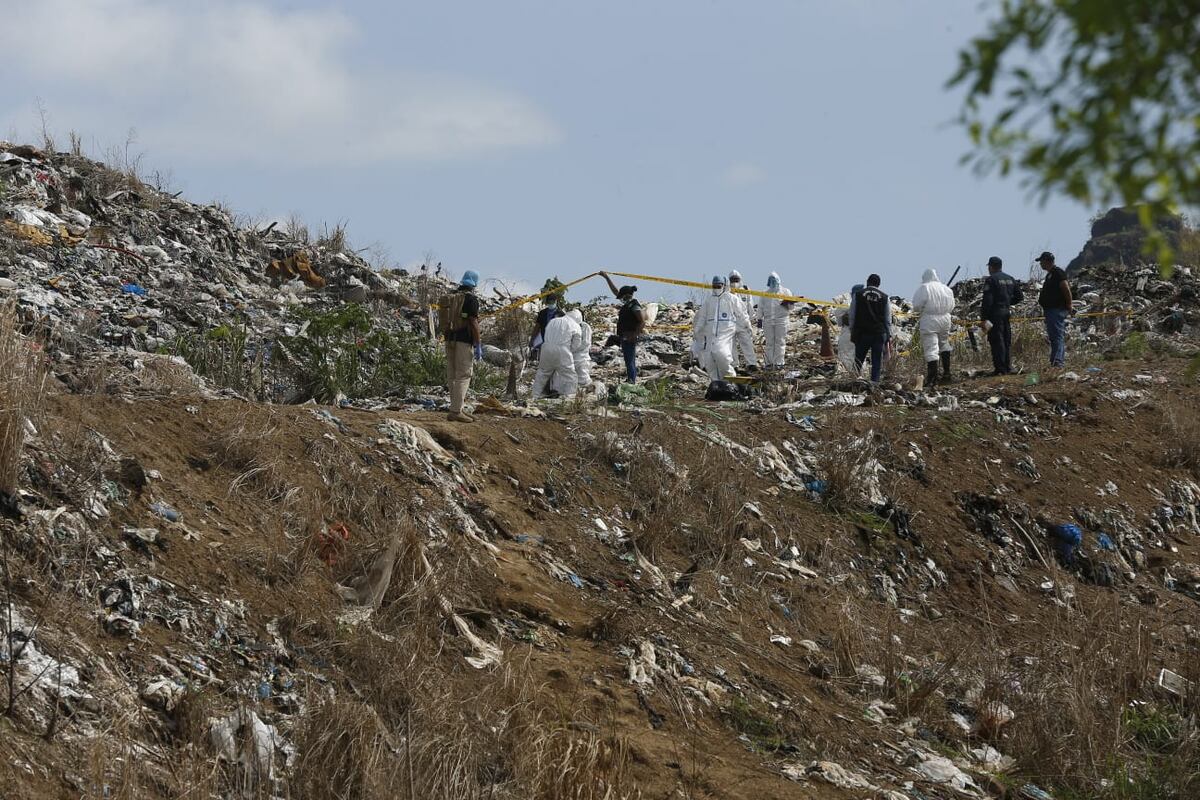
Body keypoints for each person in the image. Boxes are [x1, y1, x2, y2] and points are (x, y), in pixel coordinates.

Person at [692, 274, 751, 381]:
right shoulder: (709, 300)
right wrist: (697, 329)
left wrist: (747, 324)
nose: (716, 289)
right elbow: (702, 316)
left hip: (725, 332)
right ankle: (717, 382)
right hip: (711, 334)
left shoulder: (731, 298)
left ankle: (731, 377)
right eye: (714, 286)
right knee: (709, 360)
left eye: (719, 286)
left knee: (722, 355)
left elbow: (741, 313)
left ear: (724, 286)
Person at [444, 270, 482, 423]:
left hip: (449, 339)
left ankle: (456, 408)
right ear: (474, 283)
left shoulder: (452, 296)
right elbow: (473, 322)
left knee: (452, 375)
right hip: (463, 342)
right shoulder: (471, 299)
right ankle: (455, 411)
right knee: (464, 375)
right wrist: (478, 344)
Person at [912, 268, 956, 387]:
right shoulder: (946, 289)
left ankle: (932, 377)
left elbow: (916, 305)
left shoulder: (924, 287)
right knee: (944, 344)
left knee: (931, 347)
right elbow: (952, 305)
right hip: (945, 319)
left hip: (930, 319)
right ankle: (947, 373)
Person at [980, 256, 1024, 375]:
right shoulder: (1010, 278)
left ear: (991, 267)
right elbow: (1020, 296)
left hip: (995, 314)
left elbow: (987, 301)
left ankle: (1000, 369)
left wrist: (983, 318)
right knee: (1006, 339)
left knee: (996, 340)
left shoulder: (991, 280)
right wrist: (1008, 302)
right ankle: (1007, 366)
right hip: (1006, 312)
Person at [600, 271, 645, 382]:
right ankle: (630, 378)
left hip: (629, 336)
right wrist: (606, 278)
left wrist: (635, 334)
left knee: (629, 360)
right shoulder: (627, 304)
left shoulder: (633, 305)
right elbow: (616, 291)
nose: (620, 299)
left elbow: (642, 320)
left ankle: (631, 380)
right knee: (628, 359)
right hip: (624, 336)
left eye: (622, 297)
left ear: (627, 296)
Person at [850, 274, 891, 383]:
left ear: (868, 282)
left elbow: (852, 314)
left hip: (862, 332)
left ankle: (854, 381)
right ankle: (875, 384)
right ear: (879, 284)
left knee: (858, 360)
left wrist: (852, 330)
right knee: (876, 361)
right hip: (879, 333)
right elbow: (887, 319)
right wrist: (888, 334)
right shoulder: (885, 297)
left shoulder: (858, 294)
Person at [532, 311, 582, 398]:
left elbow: (546, 334)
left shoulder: (553, 321)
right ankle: (570, 397)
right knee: (569, 375)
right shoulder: (575, 325)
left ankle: (534, 396)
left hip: (546, 348)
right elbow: (576, 344)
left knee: (542, 373)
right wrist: (570, 351)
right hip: (562, 349)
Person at [1036, 251, 1072, 368]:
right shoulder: (1050, 274)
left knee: (1057, 336)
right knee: (1053, 336)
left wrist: (1069, 305)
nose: (1040, 264)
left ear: (1047, 261)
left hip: (1056, 310)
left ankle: (1058, 362)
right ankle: (1054, 361)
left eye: (1041, 261)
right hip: (1050, 310)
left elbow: (1066, 289)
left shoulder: (1058, 273)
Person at [757, 272, 793, 369]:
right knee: (769, 342)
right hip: (768, 321)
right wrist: (759, 318)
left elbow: (791, 307)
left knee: (780, 342)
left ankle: (779, 363)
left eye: (774, 280)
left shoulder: (786, 292)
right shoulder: (764, 293)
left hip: (781, 320)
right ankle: (769, 363)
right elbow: (760, 307)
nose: (773, 282)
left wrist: (787, 303)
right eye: (771, 280)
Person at [727, 270, 759, 372]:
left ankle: (752, 364)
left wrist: (751, 319)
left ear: (740, 279)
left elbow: (750, 304)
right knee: (731, 345)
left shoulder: (745, 289)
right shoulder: (727, 290)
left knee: (747, 343)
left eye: (736, 279)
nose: (734, 282)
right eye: (732, 280)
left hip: (742, 321)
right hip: (730, 321)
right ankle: (734, 365)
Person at [836, 284, 863, 376]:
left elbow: (839, 323)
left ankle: (844, 376)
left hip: (847, 333)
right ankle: (857, 376)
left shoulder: (845, 305)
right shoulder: (866, 305)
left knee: (844, 355)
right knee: (858, 357)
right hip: (861, 334)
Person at [567, 308, 593, 388]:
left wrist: (573, 348)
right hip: (572, 357)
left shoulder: (585, 327)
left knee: (583, 378)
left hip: (582, 357)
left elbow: (586, 342)